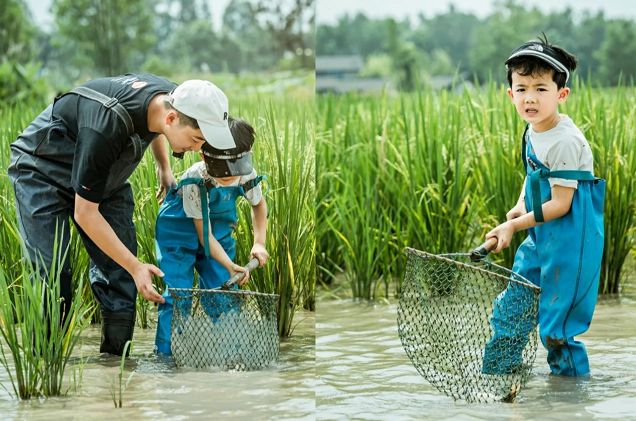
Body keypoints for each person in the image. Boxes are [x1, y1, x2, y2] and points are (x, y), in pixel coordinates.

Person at [8, 74, 238, 356]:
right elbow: (85, 213)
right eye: (196, 139)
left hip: (104, 176)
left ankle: (116, 367)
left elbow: (153, 127)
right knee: (52, 275)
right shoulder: (106, 125)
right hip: (43, 170)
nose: (198, 149)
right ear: (172, 119)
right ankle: (46, 367)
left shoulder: (171, 97)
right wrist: (135, 265)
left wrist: (164, 167)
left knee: (120, 277)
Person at [481, 36, 605, 376]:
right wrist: (521, 206)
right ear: (510, 94)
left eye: (540, 88)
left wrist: (513, 227)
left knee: (557, 331)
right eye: (521, 89)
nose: (530, 98)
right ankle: (498, 385)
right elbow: (533, 172)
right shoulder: (533, 129)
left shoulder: (566, 140)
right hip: (540, 237)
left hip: (571, 243)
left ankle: (569, 402)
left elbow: (563, 204)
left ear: (561, 94)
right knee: (509, 311)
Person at [153, 116, 269, 356]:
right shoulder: (196, 179)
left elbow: (259, 206)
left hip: (217, 230)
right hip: (179, 234)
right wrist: (230, 265)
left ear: (247, 156)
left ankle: (231, 354)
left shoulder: (246, 173)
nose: (228, 176)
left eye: (233, 170)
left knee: (224, 295)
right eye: (221, 170)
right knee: (178, 295)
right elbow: (203, 235)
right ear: (203, 156)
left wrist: (259, 243)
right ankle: (166, 356)